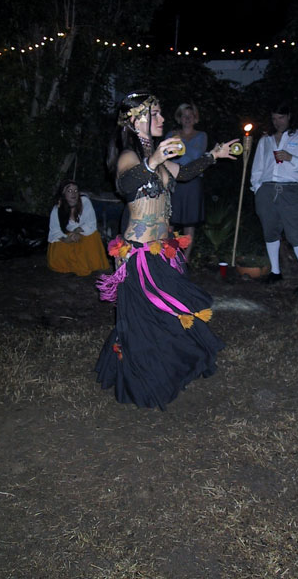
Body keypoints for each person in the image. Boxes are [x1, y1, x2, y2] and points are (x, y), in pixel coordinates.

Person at [94, 91, 238, 410]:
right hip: (139, 255)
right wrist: (154, 160)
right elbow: (126, 184)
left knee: (170, 313)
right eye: (155, 114)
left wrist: (214, 155)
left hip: (162, 250)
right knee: (144, 321)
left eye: (160, 113)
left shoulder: (155, 158)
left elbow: (183, 173)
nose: (162, 119)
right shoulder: (129, 156)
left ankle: (170, 365)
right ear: (136, 120)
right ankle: (144, 379)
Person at [250, 102, 298, 295]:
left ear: (289, 117)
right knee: (270, 231)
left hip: (290, 190)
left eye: (281, 117)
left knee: (294, 233)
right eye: (274, 118)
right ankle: (275, 272)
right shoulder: (266, 140)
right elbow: (258, 166)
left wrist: (291, 158)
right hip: (266, 190)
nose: (277, 122)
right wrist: (257, 188)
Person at [165, 102, 208, 262]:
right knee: (169, 220)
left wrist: (180, 146)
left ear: (195, 118)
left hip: (193, 182)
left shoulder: (201, 136)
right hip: (173, 181)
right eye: (184, 116)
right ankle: (168, 257)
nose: (187, 119)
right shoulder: (171, 135)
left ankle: (185, 259)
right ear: (179, 118)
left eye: (190, 116)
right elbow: (164, 156)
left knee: (189, 222)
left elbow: (197, 157)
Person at [47, 179, 109, 276]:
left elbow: (91, 223)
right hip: (67, 236)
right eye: (69, 191)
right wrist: (66, 239)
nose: (73, 194)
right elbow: (55, 230)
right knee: (57, 246)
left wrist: (77, 231)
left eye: (76, 190)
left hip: (83, 233)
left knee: (92, 236)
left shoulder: (85, 202)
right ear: (63, 193)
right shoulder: (57, 209)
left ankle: (87, 264)